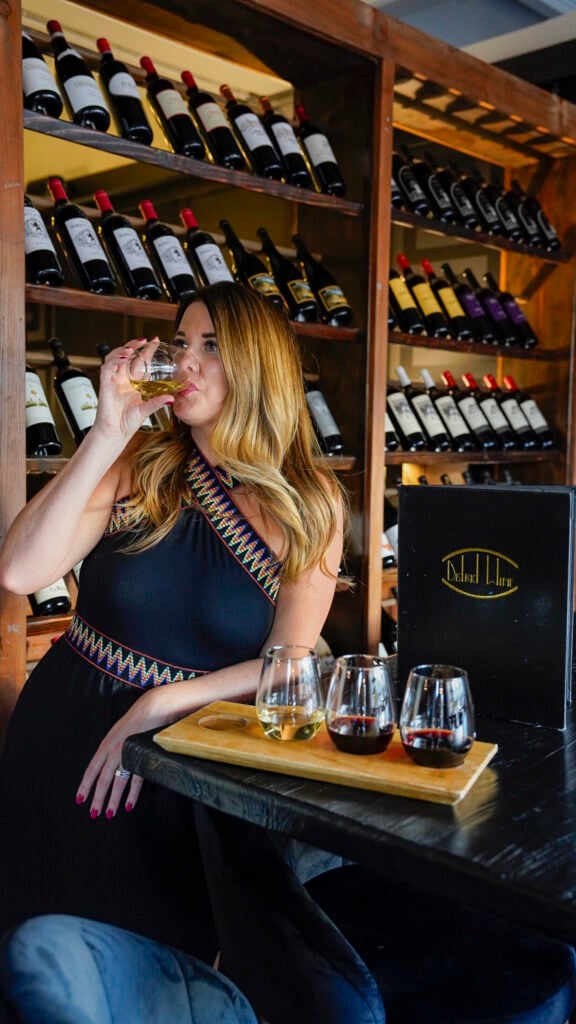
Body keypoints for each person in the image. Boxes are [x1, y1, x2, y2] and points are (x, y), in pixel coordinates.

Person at [0, 281, 345, 959]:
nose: (185, 361)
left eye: (211, 346)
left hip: (179, 767)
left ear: (256, 364)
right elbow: (18, 572)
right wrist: (106, 434)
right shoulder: (140, 464)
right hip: (62, 738)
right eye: (181, 342)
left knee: (149, 966)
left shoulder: (311, 503)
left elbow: (289, 665)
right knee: (28, 954)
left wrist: (162, 702)